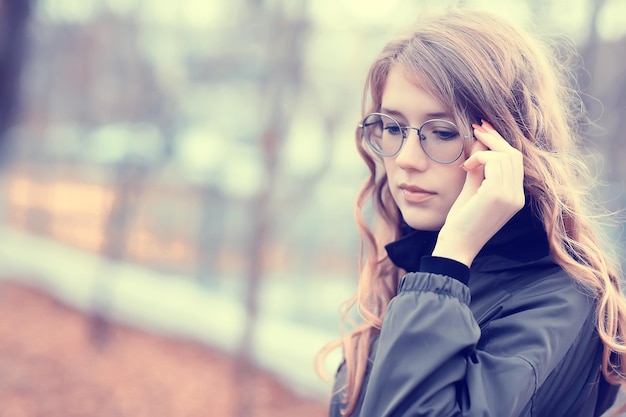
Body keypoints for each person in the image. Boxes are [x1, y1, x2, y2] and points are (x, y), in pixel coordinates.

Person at [316, 8, 626, 417]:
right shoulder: (418, 267)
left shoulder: (560, 299)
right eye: (393, 127)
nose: (406, 159)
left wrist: (448, 264)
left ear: (506, 149)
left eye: (442, 132)